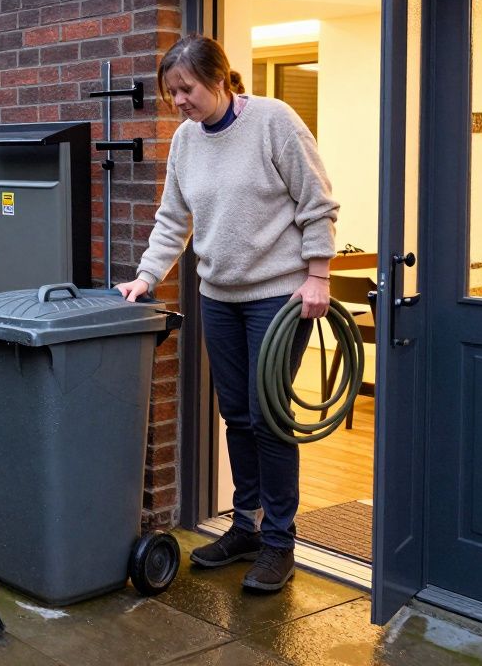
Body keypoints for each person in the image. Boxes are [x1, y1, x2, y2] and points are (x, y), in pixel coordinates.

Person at [115, 34, 339, 591]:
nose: (180, 101)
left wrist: (319, 274)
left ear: (219, 78)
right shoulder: (188, 142)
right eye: (172, 93)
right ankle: (246, 526)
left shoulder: (273, 121)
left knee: (270, 417)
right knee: (235, 414)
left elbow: (317, 201)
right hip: (218, 296)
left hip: (278, 297)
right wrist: (146, 277)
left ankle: (280, 543)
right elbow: (173, 219)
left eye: (186, 89)